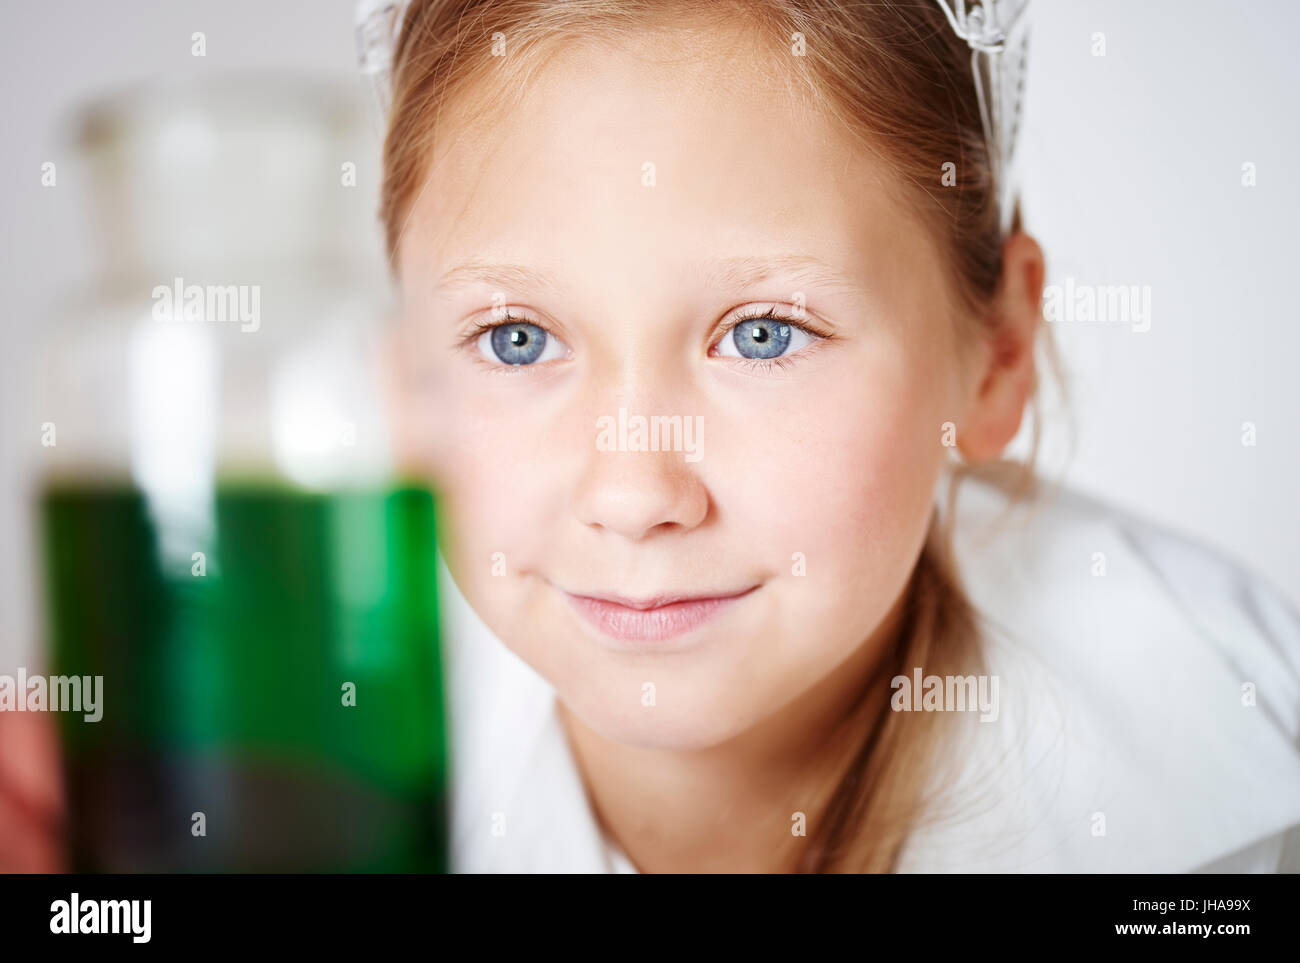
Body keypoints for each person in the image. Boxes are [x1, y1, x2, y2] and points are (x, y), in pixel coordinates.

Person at [3, 0, 1298, 873]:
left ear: (997, 354)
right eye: (517, 339)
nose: (634, 493)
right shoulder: (291, 737)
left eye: (764, 333)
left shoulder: (1239, 769)